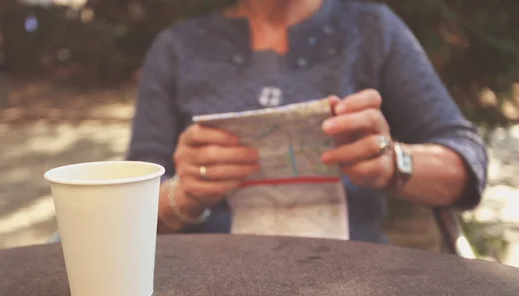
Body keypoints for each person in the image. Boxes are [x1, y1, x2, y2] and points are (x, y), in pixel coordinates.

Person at [126, 0, 488, 243]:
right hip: (213, 291)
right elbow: (125, 208)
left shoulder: (373, 29)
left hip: (355, 285)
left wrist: (393, 162)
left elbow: (467, 163)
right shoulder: (177, 48)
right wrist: (184, 194)